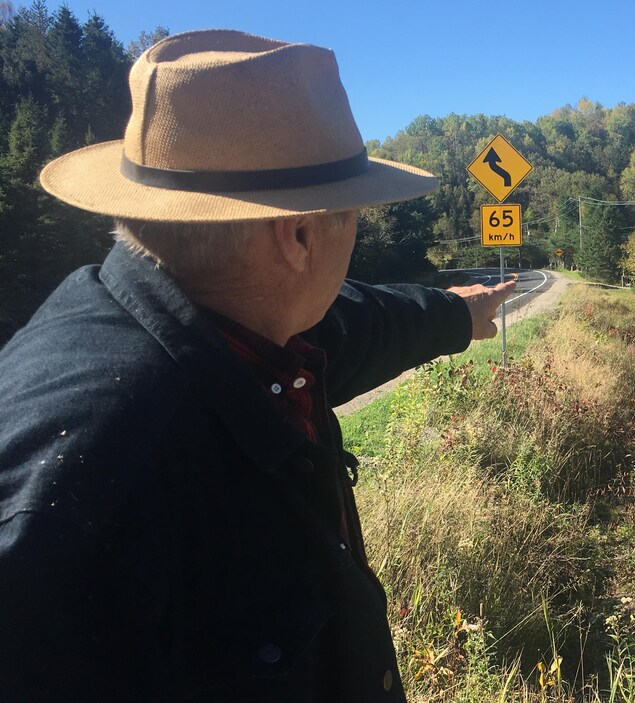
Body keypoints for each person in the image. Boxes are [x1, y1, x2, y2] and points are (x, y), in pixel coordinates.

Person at [0, 29, 514, 701]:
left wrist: (457, 314)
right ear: (298, 235)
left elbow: (364, 322)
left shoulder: (235, 326)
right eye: (353, 211)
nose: (357, 234)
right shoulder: (85, 488)